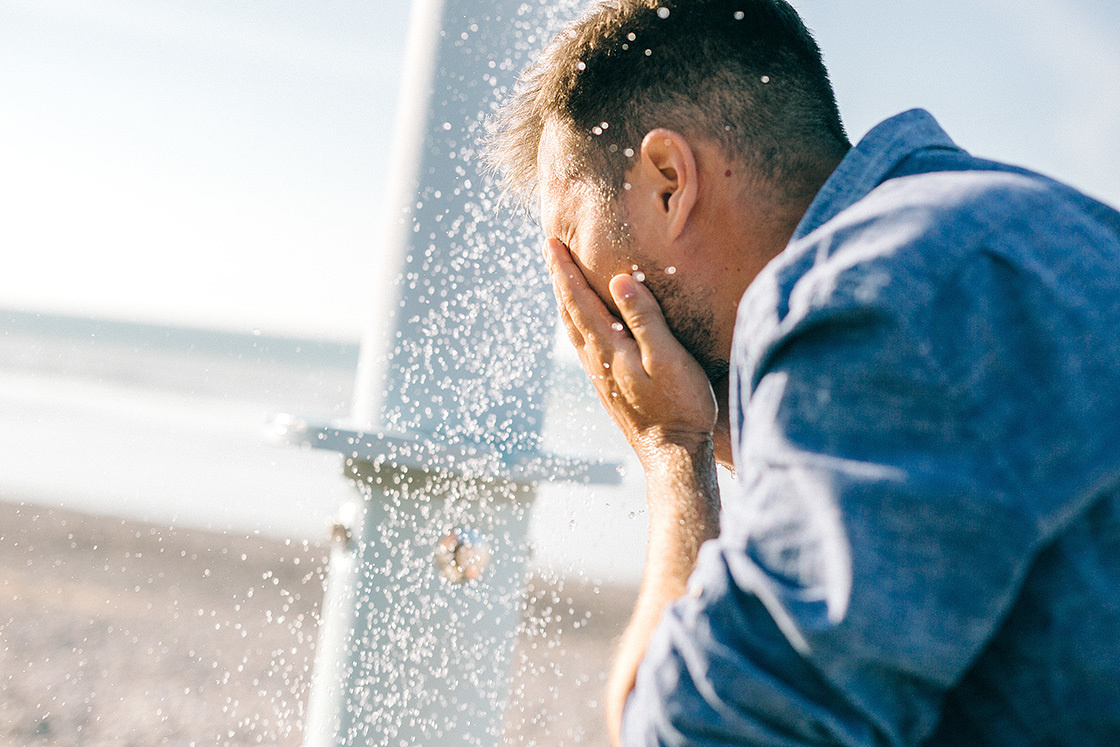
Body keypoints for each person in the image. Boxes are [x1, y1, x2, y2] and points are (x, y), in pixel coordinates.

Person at [488, 0, 1120, 744]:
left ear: (668, 181)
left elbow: (691, 732)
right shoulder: (1025, 235)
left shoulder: (874, 300)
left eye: (574, 254)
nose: (586, 318)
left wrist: (672, 446)